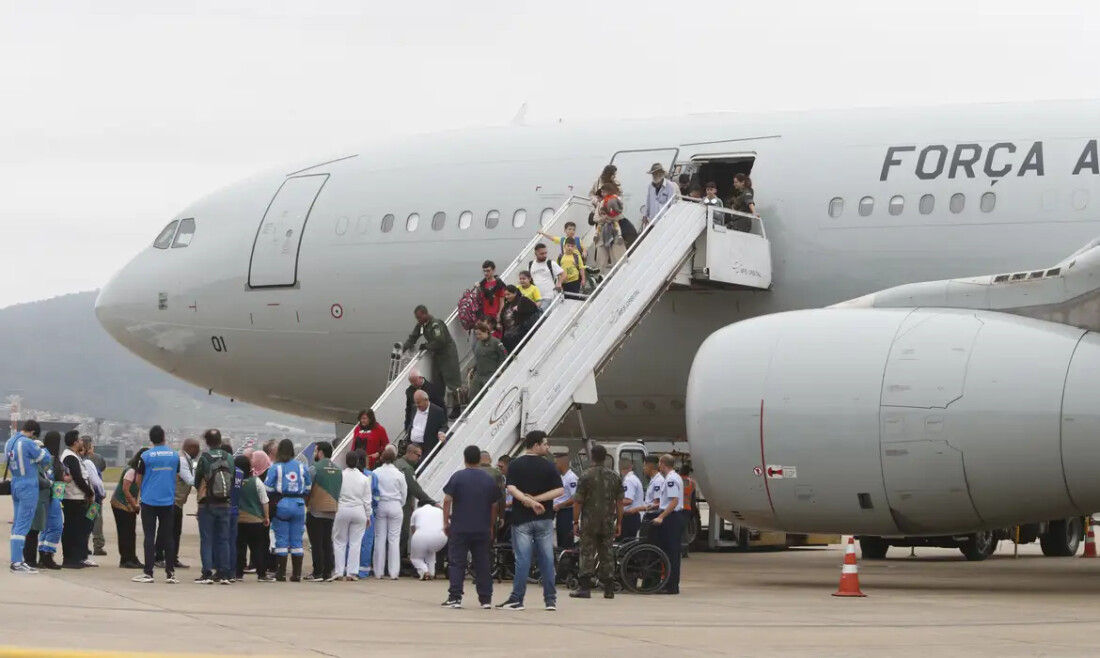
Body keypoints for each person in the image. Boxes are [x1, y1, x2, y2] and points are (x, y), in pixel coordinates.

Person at [497, 431, 563, 611]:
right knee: (547, 559)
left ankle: (517, 599)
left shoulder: (515, 465)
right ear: (536, 445)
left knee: (523, 559)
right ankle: (550, 600)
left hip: (521, 519)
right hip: (545, 519)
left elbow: (511, 489)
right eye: (545, 444)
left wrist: (529, 501)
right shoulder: (550, 466)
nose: (547, 447)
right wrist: (539, 500)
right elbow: (559, 491)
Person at [441, 445, 502, 609]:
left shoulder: (458, 477)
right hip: (481, 527)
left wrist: (445, 521)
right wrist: (491, 525)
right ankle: (485, 599)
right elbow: (494, 504)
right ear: (480, 460)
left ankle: (455, 597)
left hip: (460, 527)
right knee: (483, 562)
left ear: (465, 459)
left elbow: (447, 500)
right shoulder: (488, 479)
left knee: (457, 562)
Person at [570, 444, 623, 599]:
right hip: (607, 521)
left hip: (589, 521)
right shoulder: (615, 476)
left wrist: (575, 521)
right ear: (605, 457)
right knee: (606, 553)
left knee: (587, 552)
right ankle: (609, 589)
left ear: (592, 457)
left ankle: (585, 588)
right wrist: (619, 522)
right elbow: (619, 503)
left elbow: (578, 502)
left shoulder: (585, 476)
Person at [132, 425, 181, 584]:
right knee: (168, 537)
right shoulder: (174, 455)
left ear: (151, 439)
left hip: (149, 501)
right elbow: (176, 474)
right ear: (164, 437)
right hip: (167, 501)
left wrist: (145, 489)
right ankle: (170, 573)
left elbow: (138, 479)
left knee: (149, 536)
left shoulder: (146, 456)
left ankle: (148, 572)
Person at [265, 438, 312, 582]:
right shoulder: (302, 467)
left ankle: (281, 573)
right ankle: (296, 574)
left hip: (282, 504)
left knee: (282, 540)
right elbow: (308, 487)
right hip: (298, 504)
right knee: (297, 540)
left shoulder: (275, 467)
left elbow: (268, 488)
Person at [403, 307, 462, 419]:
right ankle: (440, 408)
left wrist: (427, 346)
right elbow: (414, 336)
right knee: (438, 384)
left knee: (453, 382)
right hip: (437, 356)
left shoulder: (436, 325)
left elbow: (440, 341)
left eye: (419, 317)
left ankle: (457, 407)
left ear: (425, 314)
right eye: (417, 318)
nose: (418, 320)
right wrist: (406, 346)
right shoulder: (421, 325)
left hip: (447, 355)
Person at [5, 420, 48, 573]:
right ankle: (17, 563)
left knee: (17, 524)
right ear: (33, 433)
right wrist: (38, 445)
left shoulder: (10, 442)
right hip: (28, 485)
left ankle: (16, 559)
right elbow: (45, 458)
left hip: (15, 482)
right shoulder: (28, 443)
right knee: (23, 525)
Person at [155, 437, 198, 571]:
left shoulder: (185, 459)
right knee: (169, 531)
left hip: (176, 501)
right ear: (191, 448)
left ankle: (171, 558)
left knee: (173, 531)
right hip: (173, 501)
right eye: (197, 449)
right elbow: (190, 480)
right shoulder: (182, 460)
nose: (198, 452)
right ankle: (161, 557)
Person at [333, 451, 372, 581]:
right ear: (357, 462)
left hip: (342, 509)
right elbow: (367, 500)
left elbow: (335, 494)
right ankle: (352, 572)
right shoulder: (364, 478)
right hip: (358, 510)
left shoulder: (340, 476)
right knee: (356, 543)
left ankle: (339, 571)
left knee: (339, 541)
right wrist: (368, 516)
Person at [305, 441, 341, 582]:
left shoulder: (314, 468)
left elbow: (307, 488)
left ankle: (317, 572)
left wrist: (307, 502)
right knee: (327, 541)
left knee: (316, 542)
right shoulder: (338, 470)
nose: (314, 454)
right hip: (332, 509)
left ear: (320, 453)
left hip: (316, 509)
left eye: (315, 451)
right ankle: (328, 571)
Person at [395, 442, 437, 560]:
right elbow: (415, 489)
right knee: (403, 533)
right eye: (418, 455)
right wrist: (432, 502)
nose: (419, 459)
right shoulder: (407, 468)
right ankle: (397, 563)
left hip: (393, 504)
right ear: (409, 452)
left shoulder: (397, 464)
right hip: (403, 506)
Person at [235, 454, 273, 582]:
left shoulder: (235, 482)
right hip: (255, 520)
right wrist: (266, 517)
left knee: (240, 548)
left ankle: (238, 573)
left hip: (239, 520)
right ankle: (261, 574)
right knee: (257, 548)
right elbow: (264, 501)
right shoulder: (256, 481)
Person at [372, 445, 407, 579]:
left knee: (379, 538)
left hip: (381, 504)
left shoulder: (376, 472)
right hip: (395, 505)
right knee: (394, 539)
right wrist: (400, 503)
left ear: (381, 458)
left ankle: (378, 571)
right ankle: (394, 572)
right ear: (394, 459)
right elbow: (404, 492)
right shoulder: (399, 474)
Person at [60, 431, 94, 569]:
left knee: (78, 530)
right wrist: (90, 492)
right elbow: (78, 478)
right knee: (71, 529)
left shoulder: (75, 456)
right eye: (80, 440)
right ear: (75, 442)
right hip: (73, 498)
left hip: (78, 498)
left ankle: (78, 557)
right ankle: (70, 558)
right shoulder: (70, 457)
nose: (82, 442)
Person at [652, 454, 685, 595]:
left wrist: (661, 516)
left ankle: (671, 586)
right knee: (669, 552)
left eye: (659, 464)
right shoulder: (673, 477)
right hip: (672, 516)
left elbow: (674, 501)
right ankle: (670, 584)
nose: (658, 467)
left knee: (671, 553)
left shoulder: (671, 479)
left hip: (672, 518)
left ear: (663, 464)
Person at [111, 448, 148, 570]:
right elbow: (125, 489)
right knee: (125, 532)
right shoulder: (131, 471)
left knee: (131, 532)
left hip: (129, 505)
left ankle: (132, 557)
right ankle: (125, 559)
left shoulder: (139, 471)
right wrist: (134, 504)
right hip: (121, 504)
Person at [34, 431, 64, 570]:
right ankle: (48, 554)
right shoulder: (48, 457)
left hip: (49, 495)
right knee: (56, 527)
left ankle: (42, 554)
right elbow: (51, 476)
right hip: (52, 495)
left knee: (46, 528)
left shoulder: (45, 455)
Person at [82, 437, 108, 557]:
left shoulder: (79, 457)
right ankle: (98, 545)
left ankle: (84, 545)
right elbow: (102, 467)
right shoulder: (97, 458)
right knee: (96, 519)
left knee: (85, 520)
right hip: (96, 495)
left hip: (83, 495)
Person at [357, 451, 381, 579]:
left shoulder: (348, 474)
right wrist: (374, 508)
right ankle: (364, 570)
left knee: (351, 541)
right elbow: (377, 495)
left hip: (353, 508)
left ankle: (348, 568)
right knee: (366, 541)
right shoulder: (372, 476)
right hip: (368, 510)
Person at [592, 181, 626, 270]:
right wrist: (602, 219)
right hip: (602, 232)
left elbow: (619, 216)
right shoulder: (600, 204)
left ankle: (622, 274)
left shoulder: (615, 200)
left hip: (614, 231)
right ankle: (599, 276)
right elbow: (595, 218)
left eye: (604, 192)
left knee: (618, 257)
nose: (603, 194)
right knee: (601, 259)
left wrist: (609, 218)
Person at [469, 321, 507, 399]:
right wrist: (473, 368)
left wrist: (500, 369)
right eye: (476, 334)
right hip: (479, 374)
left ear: (486, 332)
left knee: (489, 396)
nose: (477, 336)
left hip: (491, 374)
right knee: (472, 394)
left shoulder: (495, 343)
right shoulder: (478, 344)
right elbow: (478, 358)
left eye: (480, 334)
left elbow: (503, 357)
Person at [410, 501, 446, 581]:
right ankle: (432, 573)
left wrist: (417, 542)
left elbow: (413, 529)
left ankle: (424, 571)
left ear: (419, 506)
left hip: (421, 535)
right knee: (431, 551)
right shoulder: (440, 511)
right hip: (441, 537)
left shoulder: (417, 511)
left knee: (415, 558)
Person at [500, 285, 542, 353]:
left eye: (508, 294)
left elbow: (533, 308)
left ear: (515, 293)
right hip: (510, 333)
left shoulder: (523, 300)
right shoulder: (507, 305)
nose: (506, 296)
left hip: (522, 332)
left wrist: (519, 308)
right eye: (505, 295)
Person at [404, 370, 446, 436]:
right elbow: (408, 409)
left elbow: (441, 406)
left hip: (430, 422)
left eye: (415, 381)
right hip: (416, 424)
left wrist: (443, 425)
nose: (413, 383)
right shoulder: (409, 391)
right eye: (411, 382)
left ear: (420, 377)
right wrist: (407, 427)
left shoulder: (433, 389)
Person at [408, 390, 448, 458]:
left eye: (419, 402)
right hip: (412, 445)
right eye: (415, 402)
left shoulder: (437, 411)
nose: (417, 405)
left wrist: (441, 432)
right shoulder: (414, 408)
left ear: (426, 400)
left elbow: (444, 425)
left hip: (427, 447)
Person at [228, 455, 248, 580]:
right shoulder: (241, 474)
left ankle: (224, 569)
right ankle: (234, 571)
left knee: (223, 541)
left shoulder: (229, 471)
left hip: (225, 508)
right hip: (236, 510)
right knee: (234, 543)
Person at [552, 453, 578, 549]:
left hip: (567, 513)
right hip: (560, 512)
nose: (554, 466)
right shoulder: (562, 477)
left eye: (555, 464)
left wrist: (560, 505)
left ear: (562, 464)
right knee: (560, 540)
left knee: (566, 541)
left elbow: (575, 497)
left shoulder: (571, 478)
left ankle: (568, 562)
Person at [527, 243, 564, 309]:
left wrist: (559, 283)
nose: (544, 255)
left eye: (545, 253)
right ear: (536, 253)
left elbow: (564, 274)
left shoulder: (550, 263)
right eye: (542, 254)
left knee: (542, 314)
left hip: (549, 296)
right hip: (536, 297)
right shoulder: (531, 264)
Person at [643, 162, 678, 227]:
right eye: (654, 174)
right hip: (652, 221)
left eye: (659, 173)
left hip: (664, 222)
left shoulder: (670, 186)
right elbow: (648, 202)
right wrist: (645, 215)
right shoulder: (650, 186)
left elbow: (672, 204)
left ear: (662, 174)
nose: (656, 175)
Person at [619, 460, 645, 541]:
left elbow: (628, 500)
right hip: (634, 516)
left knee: (625, 543)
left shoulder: (629, 480)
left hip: (630, 517)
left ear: (620, 468)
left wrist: (614, 503)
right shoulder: (634, 479)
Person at [642, 455, 664, 524]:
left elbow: (657, 503)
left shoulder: (658, 481)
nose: (643, 468)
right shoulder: (653, 480)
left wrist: (637, 509)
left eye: (644, 466)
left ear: (649, 466)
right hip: (650, 515)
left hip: (654, 516)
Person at [497, 454, 513, 542]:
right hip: (503, 512)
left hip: (511, 512)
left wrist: (505, 504)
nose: (500, 469)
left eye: (502, 467)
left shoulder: (515, 479)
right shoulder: (503, 479)